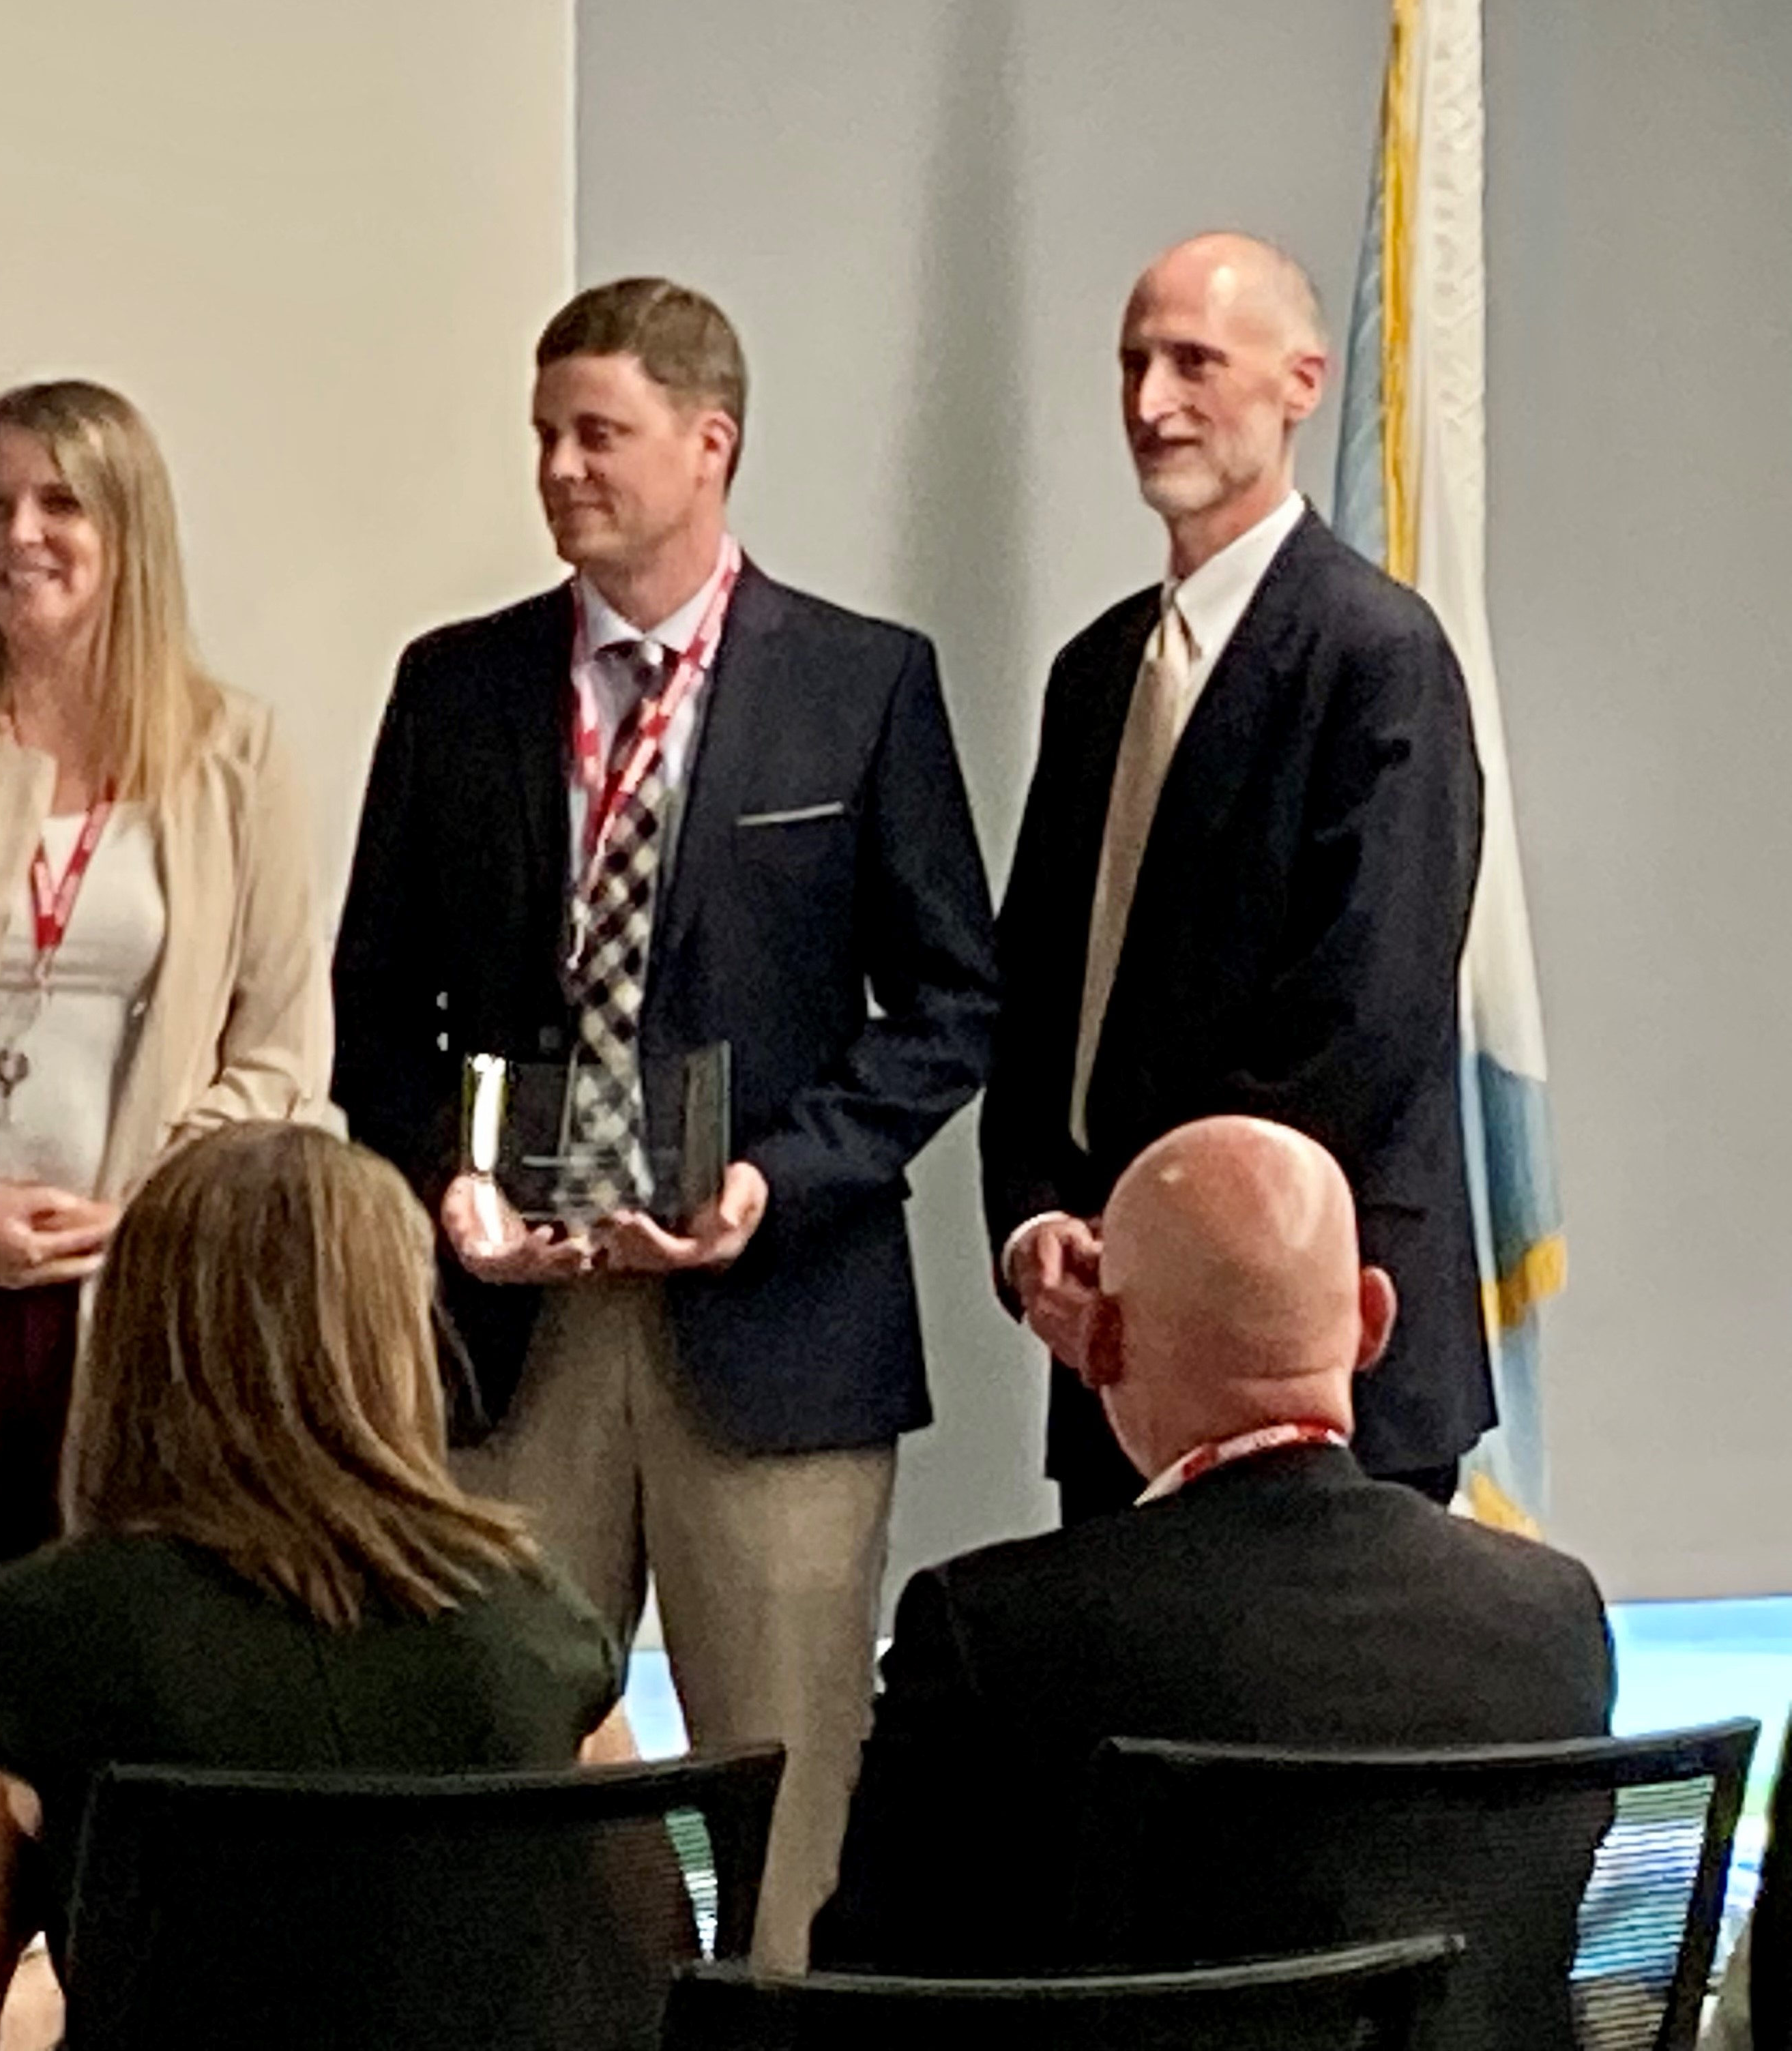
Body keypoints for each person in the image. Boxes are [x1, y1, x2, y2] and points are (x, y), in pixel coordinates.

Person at [333, 277, 1000, 1966]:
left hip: (775, 1335)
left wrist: (776, 1183)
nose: (559, 468)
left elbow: (950, 1010)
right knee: (492, 1785)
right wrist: (448, 1187)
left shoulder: (862, 686)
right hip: (513, 1333)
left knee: (787, 1812)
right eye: (545, 434)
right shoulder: (457, 690)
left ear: (712, 444)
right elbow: (372, 1013)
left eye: (597, 433)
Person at [0, 379, 333, 2026]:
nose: (19, 538)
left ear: (128, 531)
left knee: (139, 1753)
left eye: (58, 506)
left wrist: (146, 1204)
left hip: (145, 1318)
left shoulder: (237, 752)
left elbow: (285, 1047)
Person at [0, 1121, 623, 2051]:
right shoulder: (537, 1620)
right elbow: (650, 1965)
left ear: (134, 1331)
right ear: (395, 1336)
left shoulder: (22, 1639)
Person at [814, 1115, 1614, 1983]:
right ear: (1374, 1320)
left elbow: (859, 2004)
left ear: (1103, 1342)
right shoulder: (1552, 1614)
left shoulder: (988, 1639)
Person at [981, 232, 1488, 1524]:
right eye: (1133, 363)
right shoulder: (1094, 674)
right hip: (1115, 1356)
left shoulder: (1377, 654)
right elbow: (1038, 996)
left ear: (1303, 383)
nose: (1152, 404)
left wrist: (1158, 1246)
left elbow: (1362, 1013)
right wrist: (1039, 1218)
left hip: (1320, 1367)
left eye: (1195, 361)